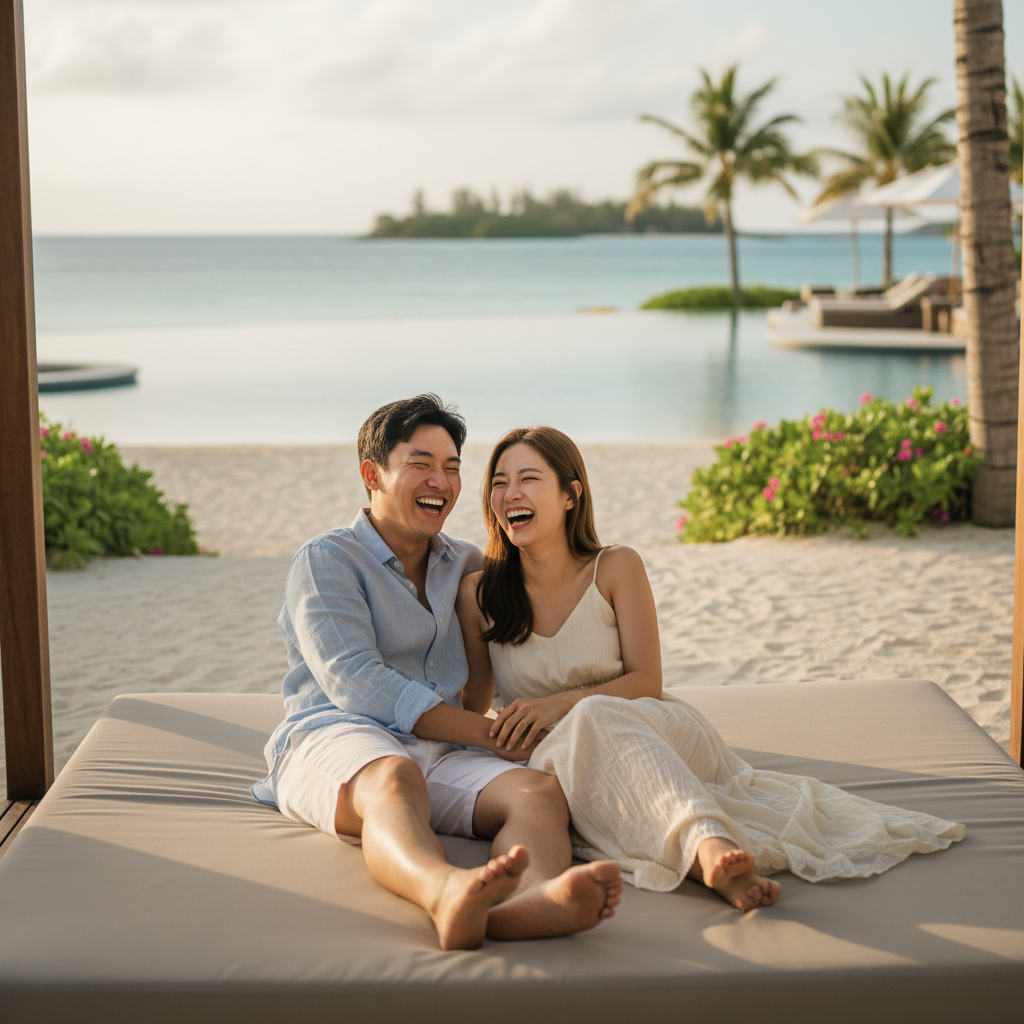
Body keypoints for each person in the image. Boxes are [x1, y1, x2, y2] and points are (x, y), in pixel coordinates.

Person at [457, 426, 966, 911]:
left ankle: (708, 844)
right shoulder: (480, 593)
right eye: (499, 483)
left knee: (595, 716)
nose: (510, 494)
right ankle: (709, 862)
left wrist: (558, 703)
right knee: (583, 738)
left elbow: (646, 681)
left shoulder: (615, 567)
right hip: (554, 755)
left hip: (651, 727)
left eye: (528, 479)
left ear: (570, 495)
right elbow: (475, 702)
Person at [252, 397, 622, 950]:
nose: (441, 481)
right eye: (421, 464)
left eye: (452, 467)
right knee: (392, 778)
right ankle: (446, 892)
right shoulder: (326, 560)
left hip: (443, 750)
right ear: (371, 474)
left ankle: (532, 901)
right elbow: (357, 682)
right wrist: (492, 735)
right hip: (334, 738)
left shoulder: (468, 565)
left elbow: (532, 629)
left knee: (539, 792)